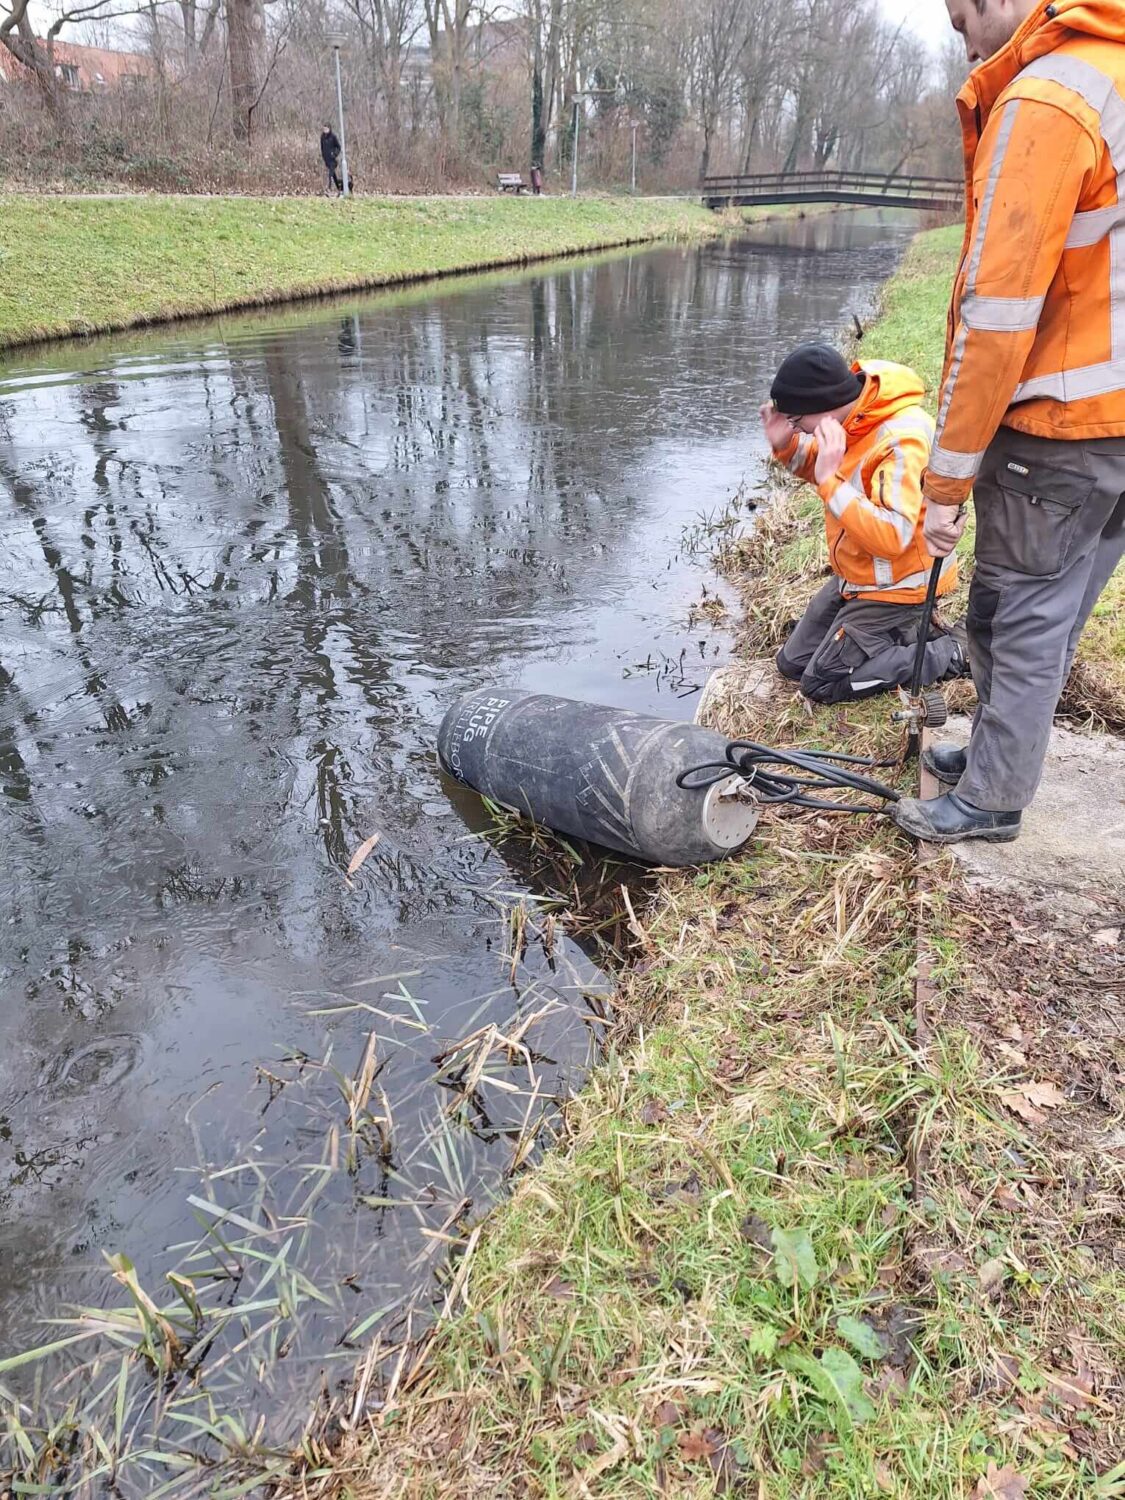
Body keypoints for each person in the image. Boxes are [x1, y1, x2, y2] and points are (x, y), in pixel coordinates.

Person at [893, 0, 1125, 845]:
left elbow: (993, 316)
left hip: (1062, 423)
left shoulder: (1045, 96)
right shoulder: (1114, 70)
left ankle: (990, 798)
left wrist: (945, 481)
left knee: (1014, 611)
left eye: (962, 22)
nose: (966, 42)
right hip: (1117, 425)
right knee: (1057, 611)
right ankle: (997, 753)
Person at [762, 342, 967, 705]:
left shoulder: (901, 440)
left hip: (900, 587)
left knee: (822, 683)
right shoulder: (856, 417)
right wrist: (787, 448)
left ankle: (953, 651)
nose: (799, 430)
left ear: (821, 405)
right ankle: (894, 635)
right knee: (792, 664)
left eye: (797, 421)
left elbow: (893, 536)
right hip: (859, 578)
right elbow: (826, 463)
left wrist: (829, 481)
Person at [320, 123, 342, 194]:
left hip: (333, 159)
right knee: (333, 174)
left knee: (330, 174)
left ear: (329, 129)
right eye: (324, 129)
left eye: (326, 129)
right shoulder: (322, 137)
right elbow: (322, 148)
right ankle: (339, 188)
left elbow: (338, 147)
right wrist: (323, 156)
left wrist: (334, 154)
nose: (325, 130)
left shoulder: (333, 137)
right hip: (327, 159)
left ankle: (329, 188)